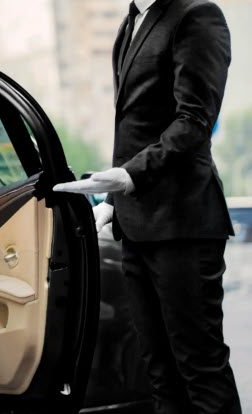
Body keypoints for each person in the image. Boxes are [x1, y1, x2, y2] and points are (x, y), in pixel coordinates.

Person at [52, 0, 241, 413]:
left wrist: (129, 176)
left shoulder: (196, 14)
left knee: (200, 370)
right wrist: (115, 204)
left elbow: (194, 120)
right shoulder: (131, 22)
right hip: (136, 227)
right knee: (159, 374)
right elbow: (137, 129)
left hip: (184, 225)